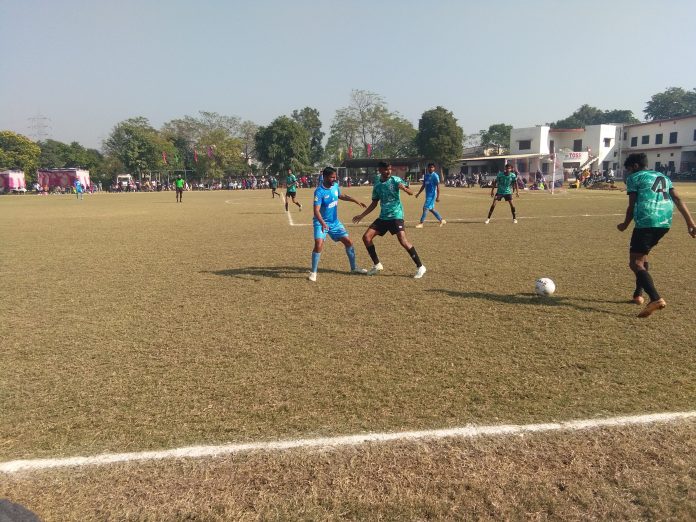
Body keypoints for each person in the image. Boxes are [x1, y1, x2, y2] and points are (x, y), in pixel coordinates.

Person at [617, 153, 696, 317]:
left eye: (629, 169)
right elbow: (677, 198)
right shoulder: (662, 176)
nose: (629, 173)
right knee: (642, 257)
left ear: (636, 166)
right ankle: (638, 295)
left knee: (635, 263)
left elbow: (631, 205)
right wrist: (691, 223)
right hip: (664, 222)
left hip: (647, 220)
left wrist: (624, 224)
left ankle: (655, 298)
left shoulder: (635, 177)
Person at [352, 161, 426, 279]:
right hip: (383, 217)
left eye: (390, 169)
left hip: (396, 215)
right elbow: (374, 202)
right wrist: (362, 215)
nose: (389, 171)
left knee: (402, 240)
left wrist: (405, 189)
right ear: (380, 170)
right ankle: (377, 265)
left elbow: (411, 193)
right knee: (366, 237)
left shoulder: (396, 180)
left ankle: (420, 266)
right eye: (386, 169)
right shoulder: (377, 181)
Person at [308, 167, 369, 282]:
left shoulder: (335, 186)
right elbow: (316, 211)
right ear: (325, 177)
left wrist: (356, 200)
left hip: (334, 222)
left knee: (348, 242)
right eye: (332, 177)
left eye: (335, 177)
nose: (334, 179)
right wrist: (322, 223)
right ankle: (314, 272)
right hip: (320, 222)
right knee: (318, 244)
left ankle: (354, 268)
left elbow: (341, 196)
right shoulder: (319, 191)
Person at [415, 163, 446, 228]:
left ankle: (421, 223)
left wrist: (438, 197)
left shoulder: (435, 176)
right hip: (428, 195)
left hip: (432, 195)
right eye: (429, 167)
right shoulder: (426, 176)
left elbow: (438, 187)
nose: (430, 168)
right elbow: (423, 185)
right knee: (431, 209)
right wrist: (418, 193)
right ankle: (441, 220)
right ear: (428, 168)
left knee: (425, 208)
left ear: (434, 168)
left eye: (432, 167)